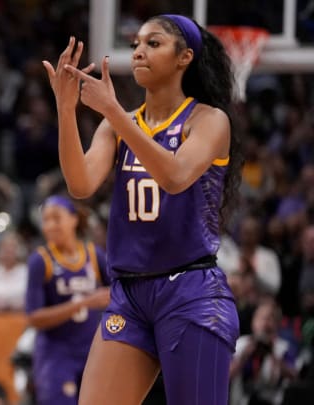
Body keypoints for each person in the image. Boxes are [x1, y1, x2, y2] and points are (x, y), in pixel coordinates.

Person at [43, 14, 242, 404]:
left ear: (184, 57)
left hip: (191, 292)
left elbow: (176, 176)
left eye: (153, 44)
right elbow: (80, 185)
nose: (138, 52)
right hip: (129, 295)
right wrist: (66, 112)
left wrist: (114, 111)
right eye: (136, 43)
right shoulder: (118, 126)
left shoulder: (208, 120)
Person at [25, 195, 110, 405]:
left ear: (73, 219)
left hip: (92, 350)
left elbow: (117, 291)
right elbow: (34, 318)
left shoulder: (94, 254)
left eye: (56, 218)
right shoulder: (40, 260)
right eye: (45, 220)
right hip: (56, 354)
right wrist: (82, 304)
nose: (50, 225)